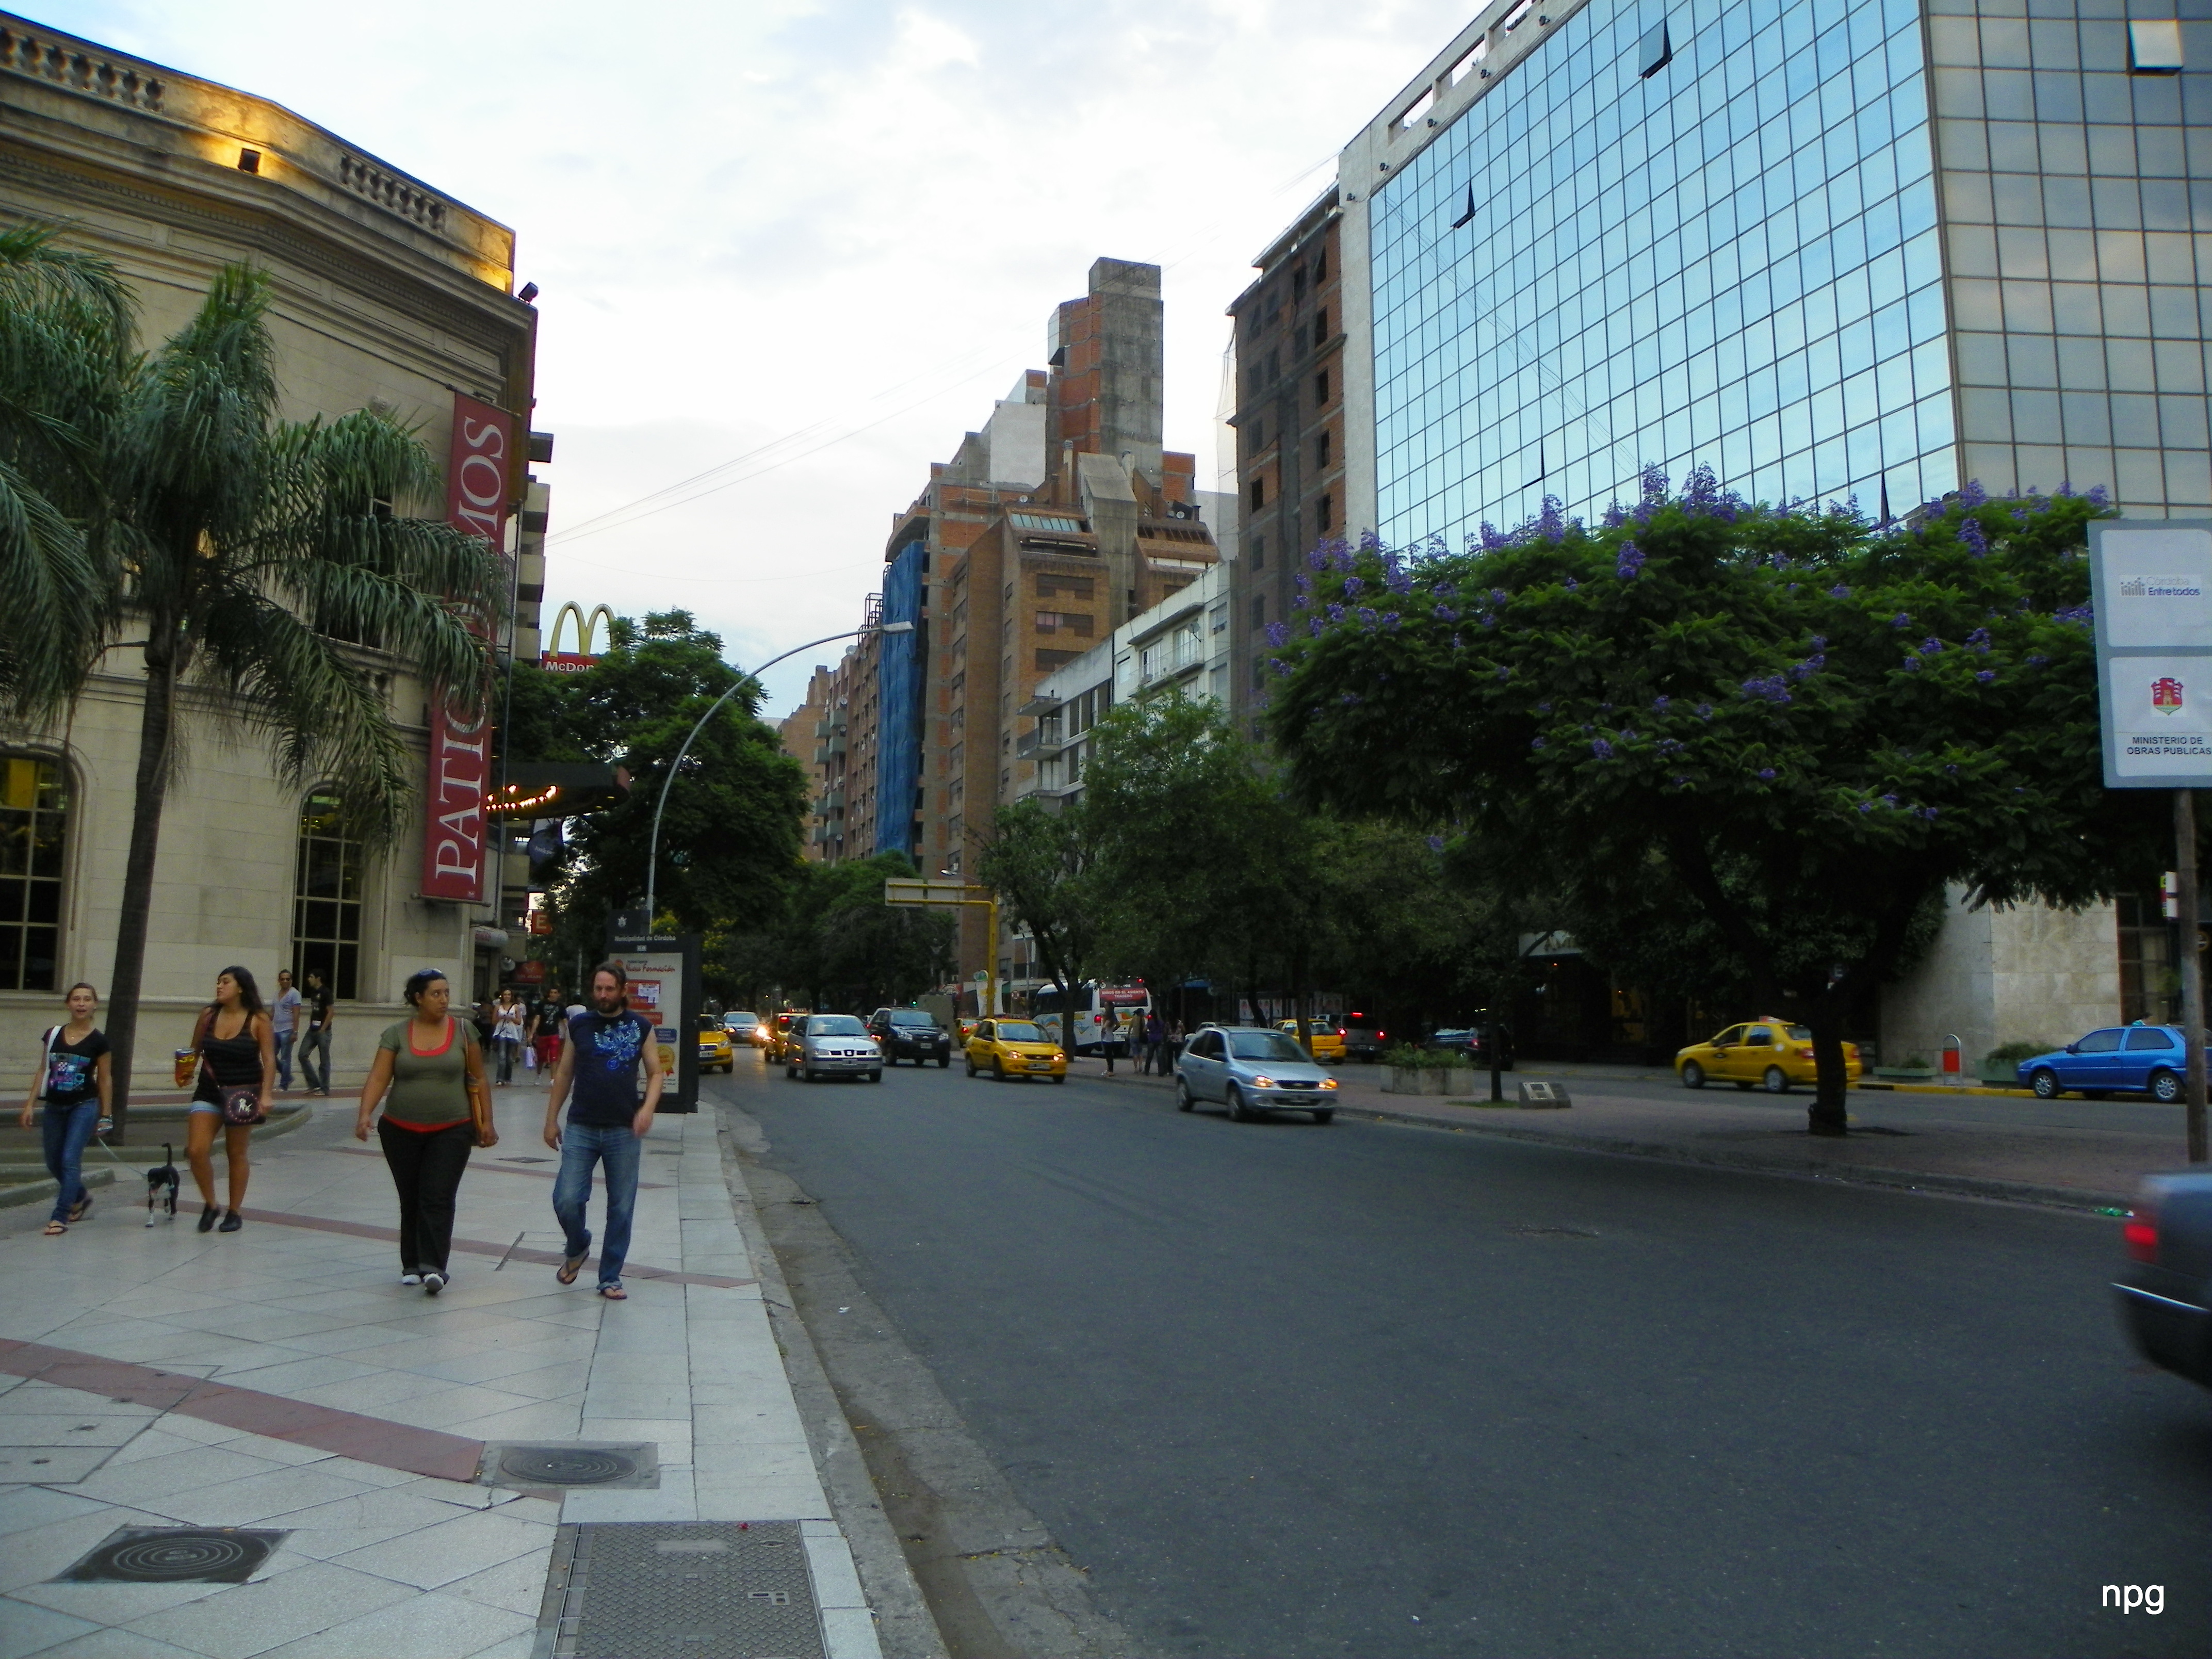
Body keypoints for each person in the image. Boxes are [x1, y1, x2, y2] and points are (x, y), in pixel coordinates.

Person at [355, 969, 495, 1293]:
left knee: (438, 1195)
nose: (444, 1000)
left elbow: (479, 1078)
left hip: (453, 1129)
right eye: (436, 994)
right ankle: (411, 1263)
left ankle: (434, 1266)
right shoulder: (396, 1034)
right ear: (418, 998)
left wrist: (487, 1122)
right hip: (400, 1129)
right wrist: (365, 1114)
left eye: (447, 993)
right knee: (411, 1197)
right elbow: (379, 1077)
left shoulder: (464, 1031)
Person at [543, 962, 664, 1300]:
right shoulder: (580, 1025)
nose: (603, 995)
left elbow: (656, 1073)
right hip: (581, 1125)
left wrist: (647, 1110)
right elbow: (565, 1074)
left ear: (623, 990)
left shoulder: (640, 1026)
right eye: (598, 989)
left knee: (621, 1207)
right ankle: (578, 1243)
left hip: (623, 1130)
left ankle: (610, 1276)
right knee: (567, 1198)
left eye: (610, 989)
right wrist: (551, 1119)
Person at [185, 966, 275, 1232]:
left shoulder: (258, 1020)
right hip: (209, 1090)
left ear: (241, 988)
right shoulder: (209, 1015)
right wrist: (185, 1070)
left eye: (225, 982)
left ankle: (234, 1211)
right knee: (196, 1150)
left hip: (243, 1094)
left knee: (236, 1153)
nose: (219, 987)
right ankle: (211, 1204)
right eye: (218, 982)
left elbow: (270, 1060)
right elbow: (194, 1049)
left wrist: (267, 1094)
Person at [20, 982, 111, 1236]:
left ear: (94, 1004)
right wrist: (30, 1105)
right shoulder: (53, 1035)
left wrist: (106, 1114)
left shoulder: (99, 1041)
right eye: (76, 999)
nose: (81, 1004)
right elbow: (42, 1070)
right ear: (68, 1004)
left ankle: (60, 1216)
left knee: (70, 1160)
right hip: (54, 1107)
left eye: (87, 999)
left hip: (84, 1105)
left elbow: (105, 1079)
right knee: (53, 1162)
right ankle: (80, 1196)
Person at [298, 969, 335, 1096]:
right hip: (312, 1029)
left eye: (311, 977)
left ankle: (325, 1088)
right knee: (302, 1054)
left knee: (324, 1059)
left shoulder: (326, 992)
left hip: (323, 1031)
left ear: (318, 978)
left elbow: (330, 1011)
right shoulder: (313, 992)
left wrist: (323, 1028)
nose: (309, 979)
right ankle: (314, 1084)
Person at [270, 968, 303, 1092]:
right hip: (276, 1030)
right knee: (271, 1056)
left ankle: (284, 1084)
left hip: (288, 1029)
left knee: (285, 1057)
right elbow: (272, 1013)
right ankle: (287, 1077)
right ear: (279, 981)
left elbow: (296, 1014)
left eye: (288, 979)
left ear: (291, 980)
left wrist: (295, 1031)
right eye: (283, 979)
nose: (285, 981)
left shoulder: (294, 994)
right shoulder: (276, 994)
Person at [526, 985, 565, 1075]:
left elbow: (565, 1020)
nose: (553, 995)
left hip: (554, 1033)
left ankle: (553, 1079)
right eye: (551, 992)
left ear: (559, 994)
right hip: (542, 1034)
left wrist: (570, 1031)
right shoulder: (542, 1004)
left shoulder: (561, 1006)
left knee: (554, 1056)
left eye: (555, 993)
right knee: (541, 1057)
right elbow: (537, 1018)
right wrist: (532, 1034)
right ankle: (538, 1074)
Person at [491, 989, 526, 1085]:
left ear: (511, 996)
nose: (507, 996)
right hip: (501, 1033)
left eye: (509, 995)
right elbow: (493, 1021)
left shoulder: (516, 1007)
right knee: (502, 1057)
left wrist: (511, 1018)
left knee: (510, 1058)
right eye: (505, 995)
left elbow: (519, 1021)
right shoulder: (498, 1007)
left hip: (512, 1034)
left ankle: (508, 1077)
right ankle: (500, 1079)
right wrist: (501, 1018)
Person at [1143, 1011, 1165, 1075]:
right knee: (1160, 1057)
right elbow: (1165, 1031)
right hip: (1160, 1040)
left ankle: (1147, 1071)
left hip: (1152, 1040)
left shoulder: (1150, 1022)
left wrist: (1148, 1034)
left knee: (1150, 1056)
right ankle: (1161, 1072)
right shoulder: (1161, 1022)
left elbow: (1144, 1030)